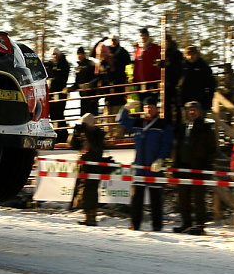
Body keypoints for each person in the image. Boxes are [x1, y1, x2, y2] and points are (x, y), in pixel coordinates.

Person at [117, 95, 174, 231]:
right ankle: (135, 224)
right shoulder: (138, 122)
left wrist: (161, 159)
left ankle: (157, 226)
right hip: (139, 167)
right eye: (146, 107)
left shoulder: (163, 125)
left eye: (151, 107)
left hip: (155, 166)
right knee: (137, 198)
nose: (148, 110)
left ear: (156, 109)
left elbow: (167, 145)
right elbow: (121, 120)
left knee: (156, 199)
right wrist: (125, 109)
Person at [175, 100, 217, 234]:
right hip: (183, 167)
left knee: (199, 198)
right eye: (189, 110)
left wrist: (207, 165)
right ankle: (186, 223)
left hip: (199, 168)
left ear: (200, 112)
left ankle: (199, 225)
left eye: (195, 110)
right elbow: (177, 148)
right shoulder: (182, 128)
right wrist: (175, 165)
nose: (192, 112)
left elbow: (212, 149)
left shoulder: (206, 128)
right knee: (183, 198)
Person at [70, 112, 109, 226]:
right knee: (83, 193)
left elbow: (96, 148)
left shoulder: (98, 134)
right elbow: (72, 145)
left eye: (85, 124)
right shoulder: (83, 134)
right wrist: (74, 133)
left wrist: (86, 133)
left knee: (90, 193)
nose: (84, 126)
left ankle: (92, 218)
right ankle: (87, 217)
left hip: (94, 167)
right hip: (83, 166)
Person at [46, 48, 71, 145]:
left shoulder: (63, 64)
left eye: (56, 54)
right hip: (52, 93)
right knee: (53, 114)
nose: (54, 56)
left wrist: (50, 70)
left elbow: (60, 77)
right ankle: (58, 134)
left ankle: (63, 135)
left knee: (59, 114)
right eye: (53, 55)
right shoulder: (53, 63)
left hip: (60, 92)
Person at [179, 46, 216, 111]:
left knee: (198, 117)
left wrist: (208, 100)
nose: (190, 57)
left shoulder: (203, 66)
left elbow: (211, 83)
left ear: (197, 55)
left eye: (193, 54)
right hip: (185, 98)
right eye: (188, 55)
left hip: (200, 98)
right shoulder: (182, 66)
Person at [161, 36, 186, 123]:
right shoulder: (162, 54)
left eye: (168, 42)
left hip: (175, 83)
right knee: (165, 107)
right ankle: (167, 125)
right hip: (165, 84)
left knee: (176, 107)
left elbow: (180, 68)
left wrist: (168, 65)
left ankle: (177, 128)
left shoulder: (177, 54)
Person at [72, 47, 100, 117]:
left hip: (91, 94)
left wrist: (90, 84)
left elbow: (97, 77)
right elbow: (77, 82)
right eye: (78, 54)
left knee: (92, 115)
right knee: (84, 116)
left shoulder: (90, 64)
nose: (79, 56)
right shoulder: (78, 68)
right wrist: (71, 88)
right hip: (83, 96)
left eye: (81, 54)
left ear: (84, 54)